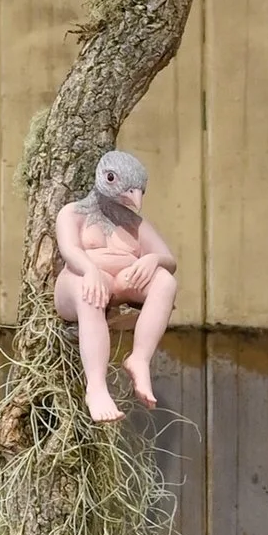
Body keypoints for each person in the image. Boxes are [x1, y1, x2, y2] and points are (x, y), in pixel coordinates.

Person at [52, 148, 177, 423]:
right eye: (113, 179)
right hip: (78, 283)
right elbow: (69, 249)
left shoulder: (135, 223)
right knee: (89, 295)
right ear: (101, 176)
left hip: (120, 283)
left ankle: (140, 359)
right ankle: (95, 387)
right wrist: (89, 269)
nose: (133, 197)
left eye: (137, 191)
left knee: (165, 281)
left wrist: (152, 259)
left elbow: (169, 260)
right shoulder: (73, 213)